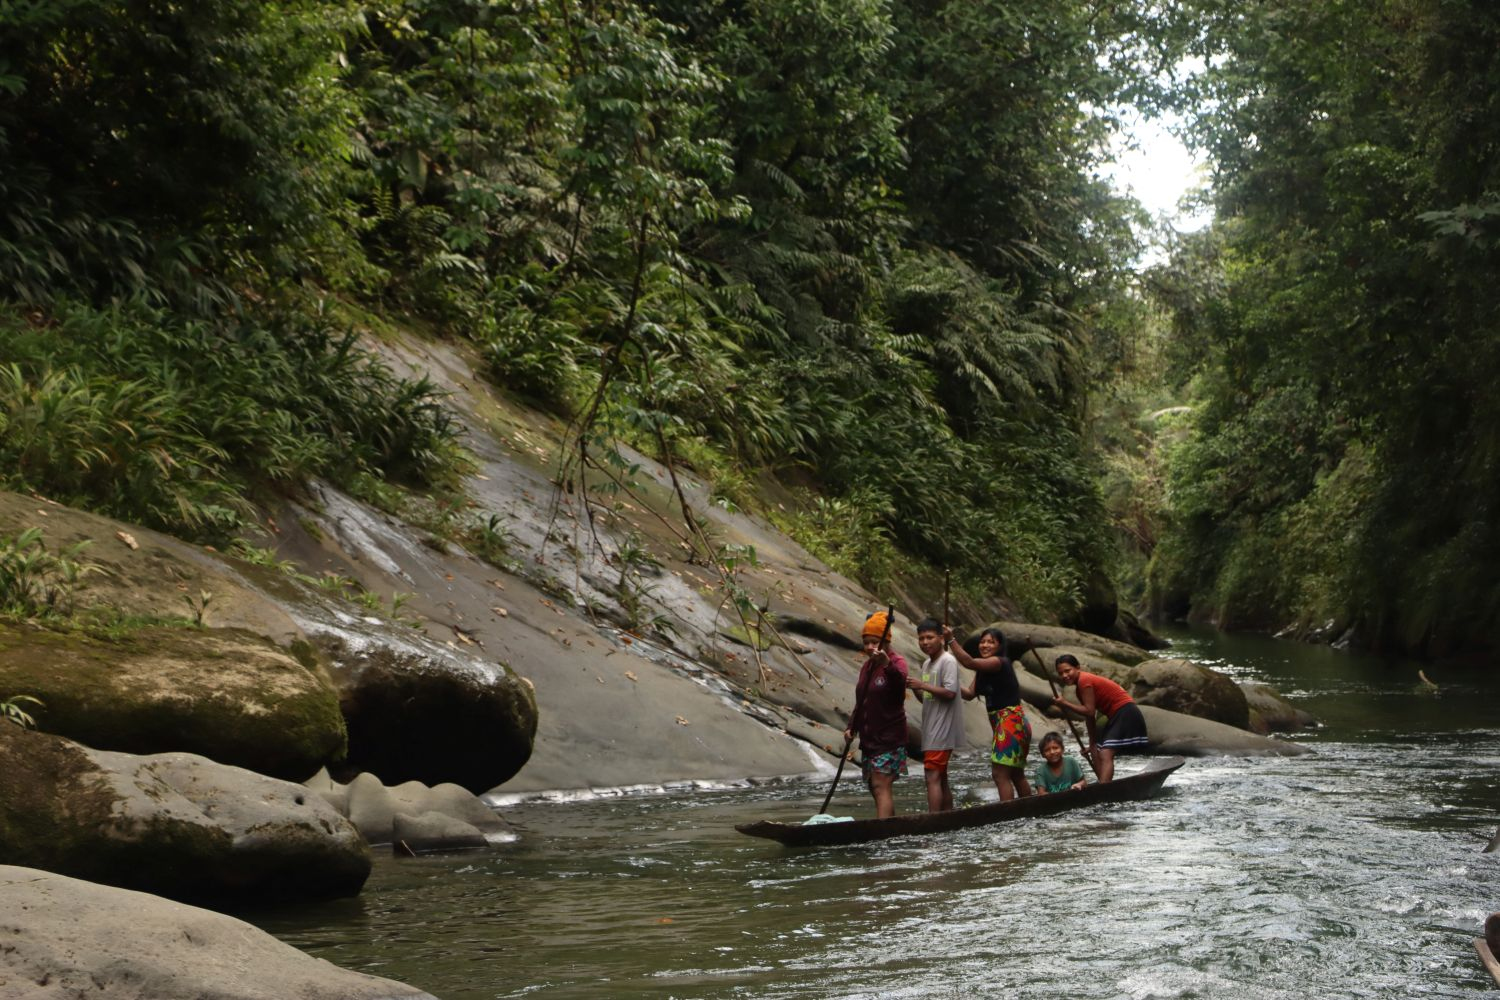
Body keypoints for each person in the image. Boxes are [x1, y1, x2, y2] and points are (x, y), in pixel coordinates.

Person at [944, 625, 1032, 801]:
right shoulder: (984, 670)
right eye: (982, 642)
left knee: (1000, 774)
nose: (985, 645)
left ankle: (1008, 814)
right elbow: (969, 694)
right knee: (1015, 773)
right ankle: (1028, 808)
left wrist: (951, 640)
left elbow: (968, 662)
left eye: (991, 642)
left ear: (999, 646)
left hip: (1011, 722)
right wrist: (947, 683)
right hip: (1006, 724)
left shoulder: (999, 662)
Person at [843, 609, 909, 819]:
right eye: (866, 642)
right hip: (870, 739)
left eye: (875, 642)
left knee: (881, 785)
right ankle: (890, 826)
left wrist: (886, 665)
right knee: (875, 786)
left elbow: (900, 685)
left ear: (885, 642)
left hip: (889, 736)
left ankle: (882, 834)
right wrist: (852, 726)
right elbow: (861, 699)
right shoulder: (867, 667)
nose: (870, 647)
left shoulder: (896, 662)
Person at [1050, 653, 1149, 782]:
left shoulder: (1084, 681)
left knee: (1105, 753)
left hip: (1125, 712)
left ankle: (1104, 788)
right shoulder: (1079, 688)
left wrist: (1065, 703)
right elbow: (1089, 716)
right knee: (1098, 750)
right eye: (1060, 673)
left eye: (1068, 671)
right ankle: (1103, 783)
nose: (1064, 675)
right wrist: (1092, 743)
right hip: (1118, 714)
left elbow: (1089, 711)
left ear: (1078, 668)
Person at [906, 617, 962, 812]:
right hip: (931, 726)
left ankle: (934, 821)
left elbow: (950, 693)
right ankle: (947, 816)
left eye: (929, 637)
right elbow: (928, 698)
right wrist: (915, 689)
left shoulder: (948, 661)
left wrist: (922, 684)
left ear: (940, 637)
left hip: (942, 727)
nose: (925, 642)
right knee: (940, 776)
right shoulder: (927, 664)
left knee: (931, 776)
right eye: (921, 638)